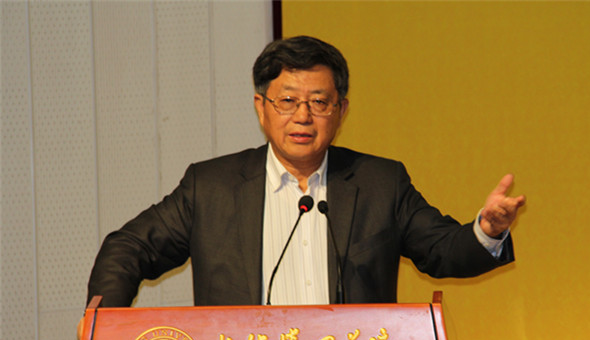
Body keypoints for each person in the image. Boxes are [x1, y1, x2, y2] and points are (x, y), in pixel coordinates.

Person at [84, 35, 525, 312]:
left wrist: (487, 230)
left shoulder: (380, 183)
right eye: (287, 101)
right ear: (261, 108)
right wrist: (103, 323)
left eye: (319, 102)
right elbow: (128, 248)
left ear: (341, 111)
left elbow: (444, 251)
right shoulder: (211, 188)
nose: (303, 116)